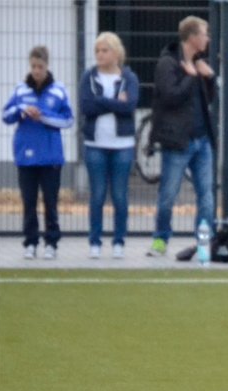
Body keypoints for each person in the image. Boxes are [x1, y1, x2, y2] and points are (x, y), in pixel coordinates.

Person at [147, 15, 216, 257]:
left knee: (207, 196)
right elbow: (170, 97)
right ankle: (160, 240)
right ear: (193, 37)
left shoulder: (198, 62)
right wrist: (191, 77)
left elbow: (208, 99)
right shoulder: (168, 63)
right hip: (178, 141)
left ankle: (204, 243)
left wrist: (209, 78)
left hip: (202, 140)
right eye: (205, 33)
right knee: (168, 194)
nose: (208, 38)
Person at [2, 45, 73, 260]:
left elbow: (68, 120)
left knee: (50, 202)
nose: (36, 71)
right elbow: (6, 115)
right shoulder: (21, 90)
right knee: (29, 202)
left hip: (51, 156)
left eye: (40, 66)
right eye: (33, 66)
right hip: (26, 156)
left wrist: (42, 116)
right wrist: (22, 111)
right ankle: (30, 242)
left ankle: (51, 242)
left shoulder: (58, 90)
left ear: (47, 66)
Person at [78, 32, 139, 259]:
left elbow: (130, 105)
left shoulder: (129, 78)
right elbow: (86, 107)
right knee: (97, 195)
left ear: (116, 53)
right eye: (97, 51)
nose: (100, 55)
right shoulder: (89, 77)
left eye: (104, 50)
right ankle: (95, 241)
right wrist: (114, 102)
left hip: (122, 144)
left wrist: (102, 102)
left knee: (120, 195)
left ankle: (119, 241)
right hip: (95, 144)